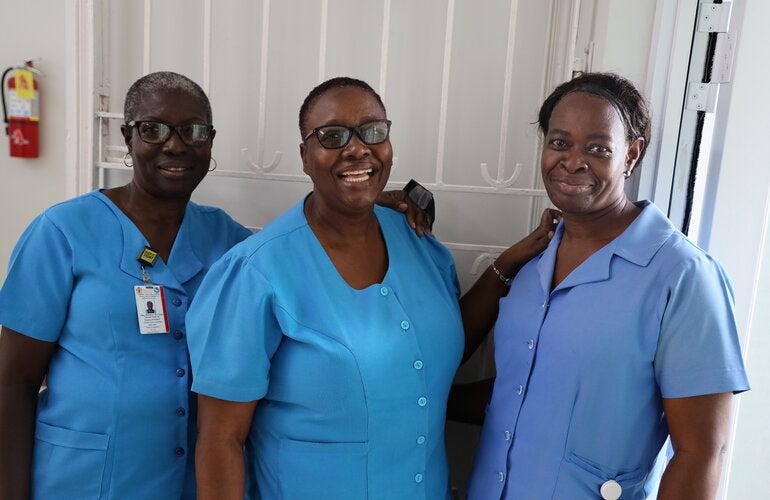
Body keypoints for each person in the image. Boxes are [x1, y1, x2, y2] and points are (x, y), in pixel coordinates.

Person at [186, 76, 558, 499]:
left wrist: (506, 266)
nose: (357, 147)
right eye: (332, 135)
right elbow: (220, 440)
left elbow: (440, 347)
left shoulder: (418, 242)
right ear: (305, 156)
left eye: (373, 131)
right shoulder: (255, 273)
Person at [461, 72, 750, 499]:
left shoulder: (681, 276)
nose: (573, 161)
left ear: (631, 154)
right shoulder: (532, 266)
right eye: (559, 142)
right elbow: (525, 393)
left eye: (597, 148)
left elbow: (701, 452)